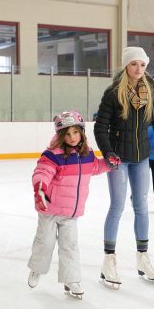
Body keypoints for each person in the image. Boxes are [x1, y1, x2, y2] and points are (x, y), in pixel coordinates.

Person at [94, 46, 154, 287]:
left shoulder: (150, 90)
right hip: (118, 159)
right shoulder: (112, 93)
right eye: (134, 64)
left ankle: (142, 257)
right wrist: (108, 152)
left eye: (142, 64)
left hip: (142, 158)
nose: (139, 69)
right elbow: (101, 127)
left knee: (141, 206)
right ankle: (108, 260)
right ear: (125, 66)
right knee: (117, 206)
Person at [27, 111, 111, 298]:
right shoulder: (53, 155)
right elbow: (42, 172)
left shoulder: (87, 154)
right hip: (50, 209)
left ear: (82, 132)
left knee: (70, 246)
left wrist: (109, 164)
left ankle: (71, 279)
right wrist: (40, 188)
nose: (72, 137)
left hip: (71, 213)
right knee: (45, 243)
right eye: (67, 133)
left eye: (75, 132)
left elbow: (95, 167)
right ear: (60, 135)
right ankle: (37, 269)